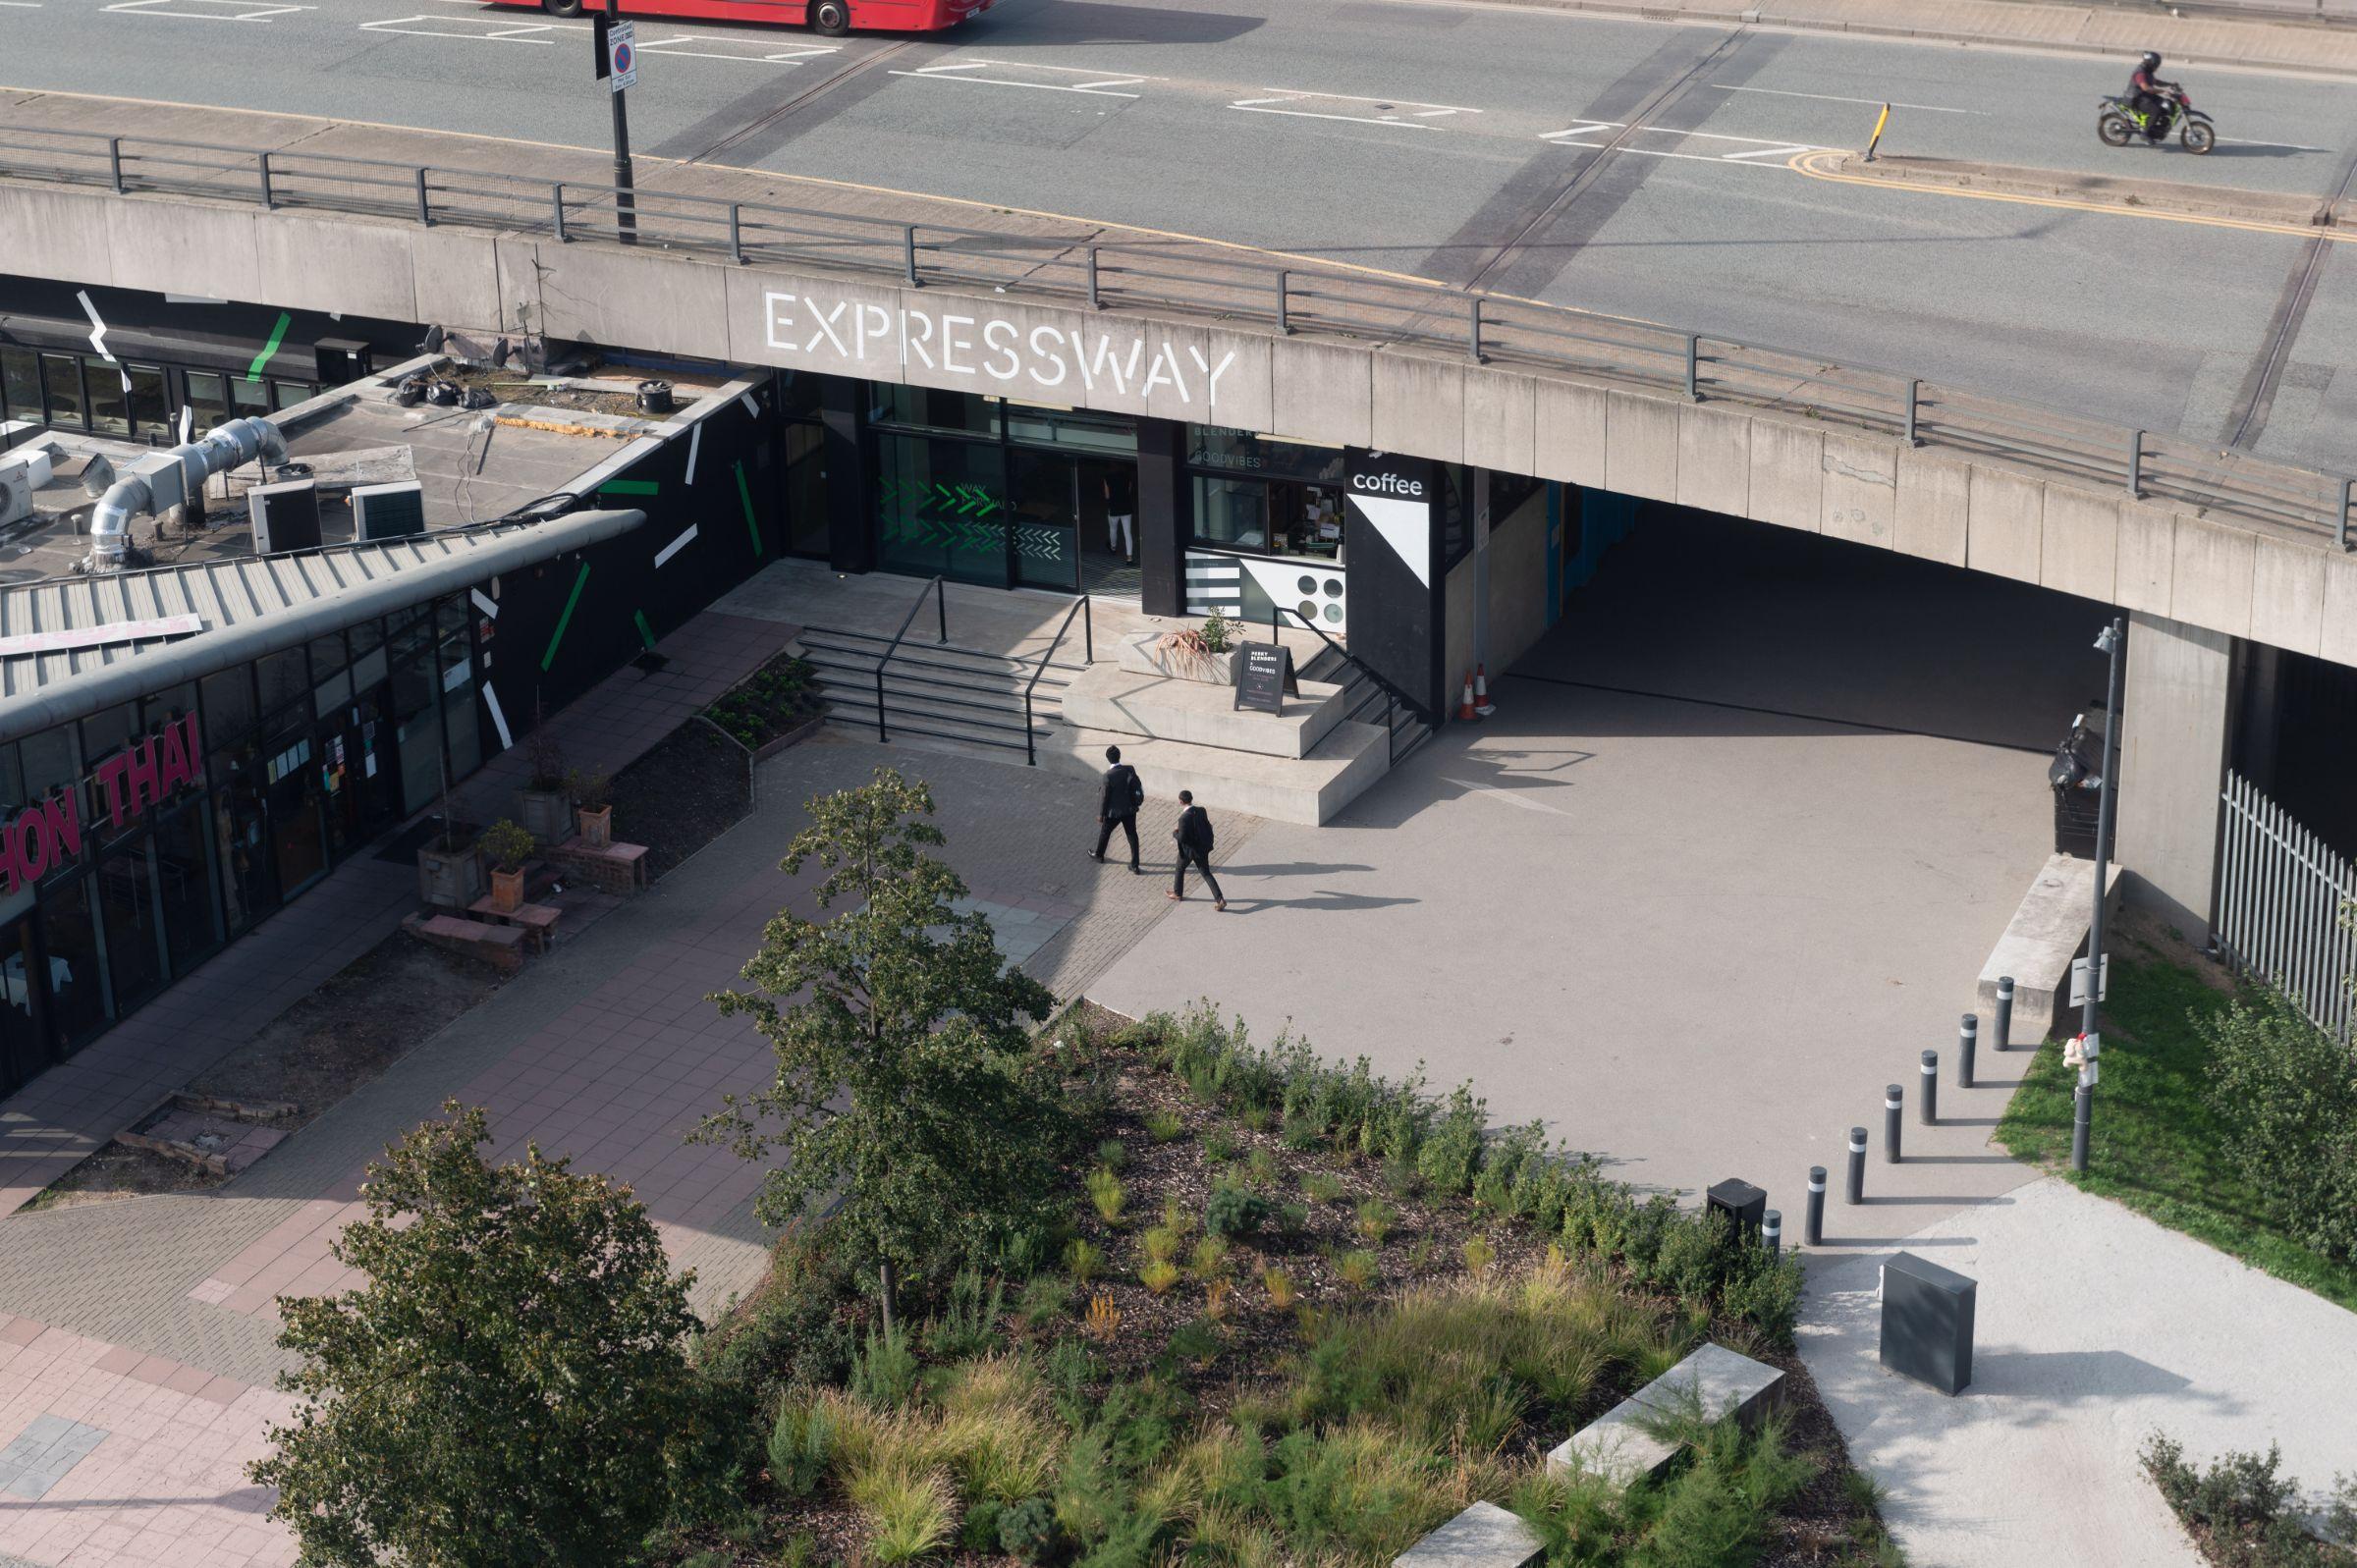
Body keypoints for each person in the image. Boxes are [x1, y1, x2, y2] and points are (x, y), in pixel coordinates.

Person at [1091, 744, 1144, 872]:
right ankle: (1135, 865)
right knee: (1132, 835)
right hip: (1129, 810)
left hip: (1113, 813)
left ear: (1108, 759)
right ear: (1119, 756)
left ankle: (1099, 855)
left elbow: (1104, 797)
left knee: (1105, 832)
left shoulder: (1108, 776)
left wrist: (1100, 814)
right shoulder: (1130, 769)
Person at [1169, 790, 1225, 910]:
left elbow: (1182, 838)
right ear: (1191, 799)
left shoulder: (1183, 818)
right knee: (1206, 873)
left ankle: (1178, 894)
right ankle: (1220, 899)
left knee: (1179, 868)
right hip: (1202, 848)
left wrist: (1175, 832)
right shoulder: (1201, 810)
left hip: (1190, 851)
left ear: (1181, 801)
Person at [2127, 51, 2179, 142]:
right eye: (2156, 64)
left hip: (2146, 96)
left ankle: (2158, 128)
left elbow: (2156, 82)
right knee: (2155, 111)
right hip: (2138, 99)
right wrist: (2162, 91)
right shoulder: (2140, 73)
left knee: (2166, 104)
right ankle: (2145, 133)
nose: (2157, 66)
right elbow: (2146, 88)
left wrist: (2170, 84)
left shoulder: (2147, 71)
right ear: (2151, 63)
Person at [1104, 468, 1137, 566]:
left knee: (1113, 529)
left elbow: (1107, 495)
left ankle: (1113, 548)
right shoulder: (1127, 477)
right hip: (1126, 507)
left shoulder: (1107, 478)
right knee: (1127, 533)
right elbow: (1128, 491)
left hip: (1114, 508)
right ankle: (1129, 558)